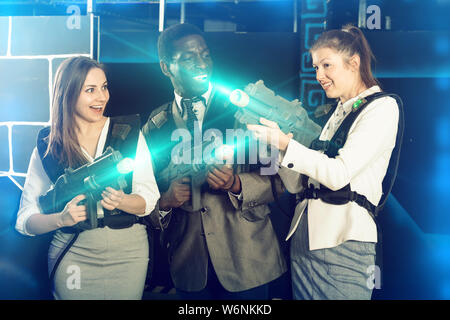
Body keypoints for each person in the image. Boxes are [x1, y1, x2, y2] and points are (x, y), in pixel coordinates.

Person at [247, 25, 402, 300]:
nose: (319, 75)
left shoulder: (382, 107)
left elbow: (339, 174)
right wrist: (279, 150)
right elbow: (300, 186)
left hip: (343, 241)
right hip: (306, 239)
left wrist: (287, 145)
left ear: (353, 63)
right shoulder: (339, 112)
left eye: (326, 65)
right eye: (316, 67)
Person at [142, 23, 287, 300]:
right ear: (165, 67)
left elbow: (279, 180)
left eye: (205, 54)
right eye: (188, 58)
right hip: (190, 268)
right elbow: (143, 193)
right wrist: (164, 201)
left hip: (249, 262)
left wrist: (237, 184)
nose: (201, 64)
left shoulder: (245, 109)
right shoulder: (155, 126)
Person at [15, 56, 160, 300]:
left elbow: (149, 198)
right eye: (90, 90)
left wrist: (122, 201)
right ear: (68, 94)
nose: (102, 97)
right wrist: (61, 219)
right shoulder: (49, 144)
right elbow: (25, 220)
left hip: (129, 254)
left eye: (104, 87)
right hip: (73, 252)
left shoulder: (128, 132)